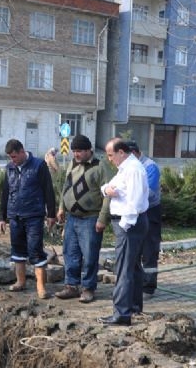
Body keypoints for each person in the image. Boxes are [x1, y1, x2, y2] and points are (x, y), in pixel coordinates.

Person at [54, 134, 113, 304]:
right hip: (72, 218)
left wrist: (102, 218)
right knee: (70, 253)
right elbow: (66, 187)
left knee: (89, 255)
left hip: (90, 218)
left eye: (79, 151)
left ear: (89, 150)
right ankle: (71, 286)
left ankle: (88, 288)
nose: (76, 154)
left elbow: (108, 195)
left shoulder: (100, 166)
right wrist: (61, 207)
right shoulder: (73, 164)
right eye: (74, 151)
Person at [98, 138, 149, 326]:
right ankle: (134, 306)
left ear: (121, 152)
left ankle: (121, 313)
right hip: (129, 224)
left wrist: (125, 225)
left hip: (129, 224)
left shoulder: (133, 169)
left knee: (124, 269)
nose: (110, 159)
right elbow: (106, 187)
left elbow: (134, 202)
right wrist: (109, 190)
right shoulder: (124, 169)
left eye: (111, 155)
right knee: (133, 266)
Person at [0, 139, 57, 299]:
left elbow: (48, 190)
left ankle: (41, 287)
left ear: (22, 151)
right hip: (15, 216)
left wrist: (51, 214)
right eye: (10, 157)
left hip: (33, 215)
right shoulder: (10, 168)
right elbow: (5, 193)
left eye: (15, 156)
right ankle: (20, 281)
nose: (13, 160)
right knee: (17, 250)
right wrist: (2, 217)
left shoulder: (38, 166)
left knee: (35, 250)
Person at [127, 140, 161, 295]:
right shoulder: (128, 167)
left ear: (135, 152)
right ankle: (136, 281)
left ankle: (148, 286)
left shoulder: (150, 166)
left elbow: (150, 192)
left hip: (150, 212)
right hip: (135, 211)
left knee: (149, 248)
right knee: (135, 248)